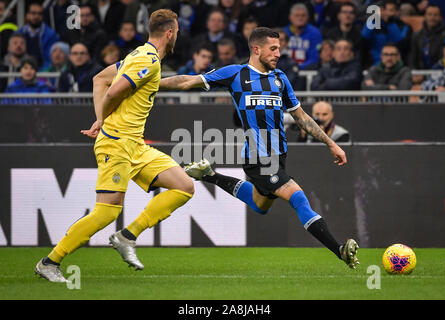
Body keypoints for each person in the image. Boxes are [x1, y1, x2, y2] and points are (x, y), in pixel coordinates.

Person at [158, 27, 360, 269]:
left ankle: (210, 175)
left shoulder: (280, 78)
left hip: (279, 157)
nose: (278, 53)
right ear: (256, 49)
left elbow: (302, 117)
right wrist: (149, 83)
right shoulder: (236, 74)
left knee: (260, 205)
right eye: (273, 49)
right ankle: (339, 250)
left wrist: (331, 143)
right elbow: (187, 81)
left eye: (279, 49)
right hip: (258, 158)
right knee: (298, 198)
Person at [35, 9, 195, 283]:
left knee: (184, 186)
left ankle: (127, 236)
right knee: (107, 211)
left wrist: (100, 118)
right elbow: (112, 90)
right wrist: (102, 119)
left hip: (134, 144)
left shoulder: (138, 55)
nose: (177, 35)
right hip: (117, 143)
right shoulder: (148, 59)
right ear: (169, 32)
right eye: (177, 31)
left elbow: (100, 78)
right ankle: (50, 262)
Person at [361, 0, 412, 65]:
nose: (382, 13)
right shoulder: (372, 23)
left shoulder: (399, 25)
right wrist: (374, 19)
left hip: (395, 63)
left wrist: (389, 22)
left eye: (384, 10)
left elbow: (399, 44)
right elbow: (363, 40)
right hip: (376, 64)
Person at [17, 2, 60, 69]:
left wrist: (41, 74)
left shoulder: (51, 35)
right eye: (33, 13)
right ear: (27, 15)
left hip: (43, 73)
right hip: (22, 71)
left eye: (39, 14)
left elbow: (50, 59)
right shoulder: (19, 33)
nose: (36, 16)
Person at [285, 101, 350, 143]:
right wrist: (303, 136)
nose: (320, 118)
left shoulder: (342, 133)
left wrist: (320, 135)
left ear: (331, 115)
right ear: (312, 114)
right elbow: (299, 152)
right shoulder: (308, 129)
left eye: (324, 114)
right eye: (317, 114)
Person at [283, 3, 322, 70]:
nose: (300, 18)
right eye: (297, 15)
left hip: (307, 72)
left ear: (308, 17)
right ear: (290, 17)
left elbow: (314, 58)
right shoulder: (283, 33)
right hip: (284, 70)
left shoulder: (315, 33)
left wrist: (297, 67)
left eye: (303, 15)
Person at [409, 4, 445, 70]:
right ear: (425, 16)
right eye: (429, 14)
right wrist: (414, 73)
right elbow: (412, 58)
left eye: (435, 15)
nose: (432, 17)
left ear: (440, 17)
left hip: (439, 74)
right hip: (418, 74)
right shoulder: (416, 35)